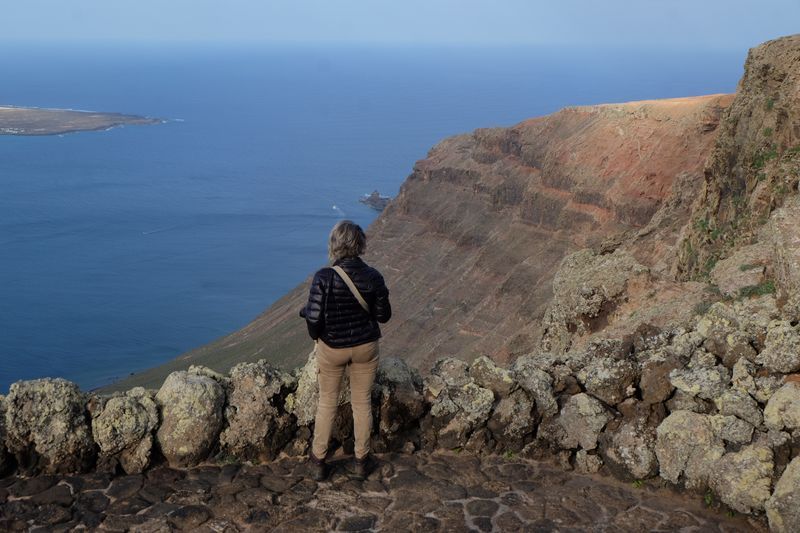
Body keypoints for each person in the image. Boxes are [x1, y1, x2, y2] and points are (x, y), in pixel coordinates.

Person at [299, 220, 391, 481]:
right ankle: (361, 460)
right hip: (365, 347)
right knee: (362, 403)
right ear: (360, 244)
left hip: (333, 348)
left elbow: (314, 320)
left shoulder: (324, 277)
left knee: (327, 402)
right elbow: (383, 316)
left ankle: (318, 461)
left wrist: (320, 340)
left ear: (335, 244)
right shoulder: (374, 276)